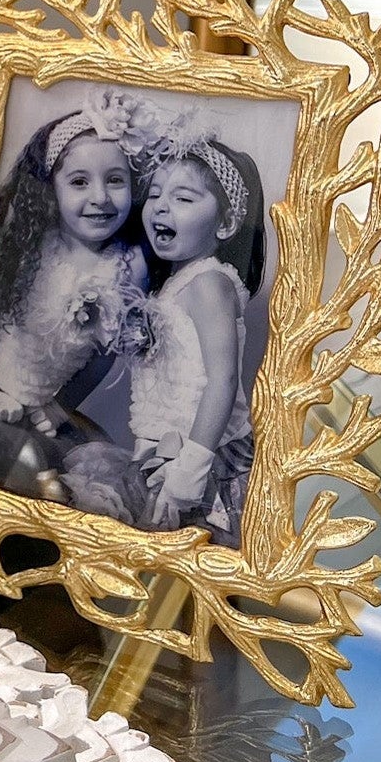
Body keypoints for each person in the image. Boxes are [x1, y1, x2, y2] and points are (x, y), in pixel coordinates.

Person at [0, 93, 152, 497]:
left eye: (115, 180)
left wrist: (62, 404)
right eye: (79, 182)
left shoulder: (128, 265)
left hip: (46, 406)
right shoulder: (33, 245)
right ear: (51, 189)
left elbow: (104, 353)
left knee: (75, 484)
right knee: (28, 465)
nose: (100, 197)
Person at [124, 134, 267, 544]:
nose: (162, 207)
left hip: (205, 461)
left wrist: (189, 472)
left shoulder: (209, 283)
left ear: (224, 223)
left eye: (184, 199)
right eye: (155, 194)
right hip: (165, 455)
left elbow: (222, 382)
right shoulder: (173, 286)